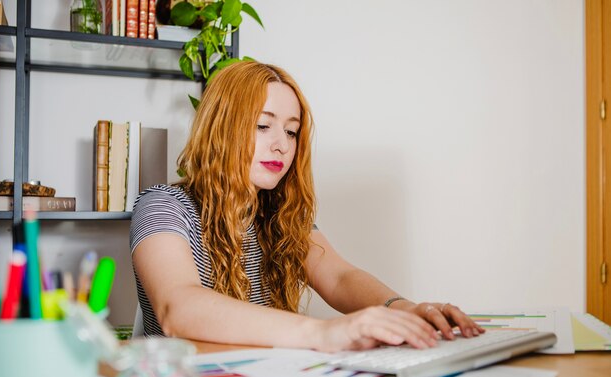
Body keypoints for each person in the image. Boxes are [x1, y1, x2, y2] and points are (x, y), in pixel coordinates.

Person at [130, 61, 484, 352]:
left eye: (291, 131)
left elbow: (341, 278)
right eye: (263, 125)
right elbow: (178, 308)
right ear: (222, 130)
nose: (281, 145)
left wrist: (405, 309)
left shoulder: (277, 215)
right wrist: (321, 333)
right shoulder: (163, 206)